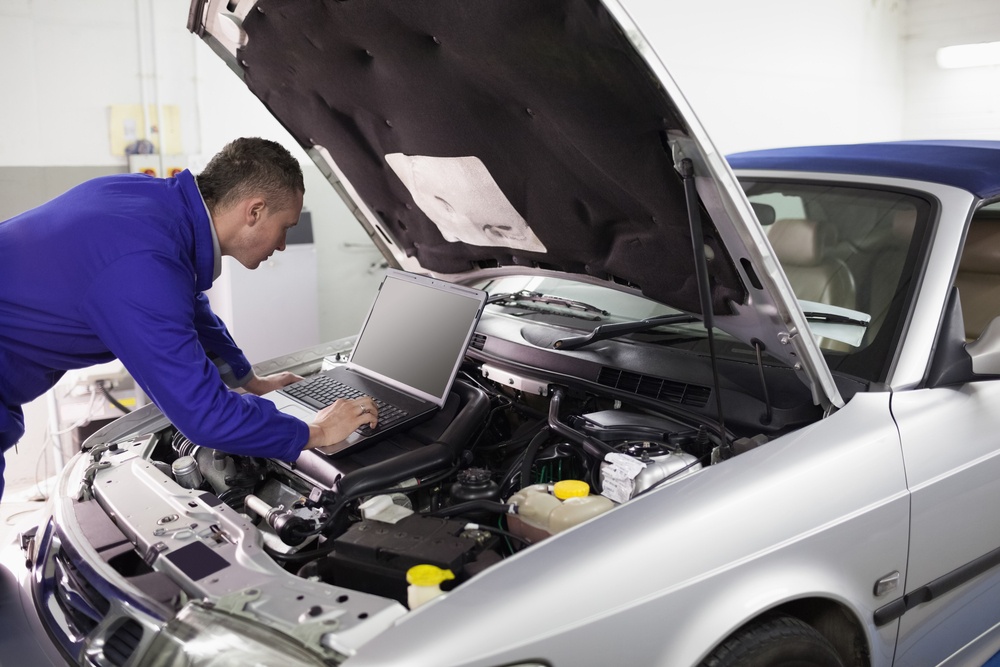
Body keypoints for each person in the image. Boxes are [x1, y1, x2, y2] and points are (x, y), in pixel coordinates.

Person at [0, 137, 377, 500]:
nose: (282, 245)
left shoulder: (152, 203)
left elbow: (189, 303)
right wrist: (315, 432)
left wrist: (249, 380)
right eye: (286, 228)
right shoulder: (142, 265)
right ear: (255, 211)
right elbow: (205, 416)